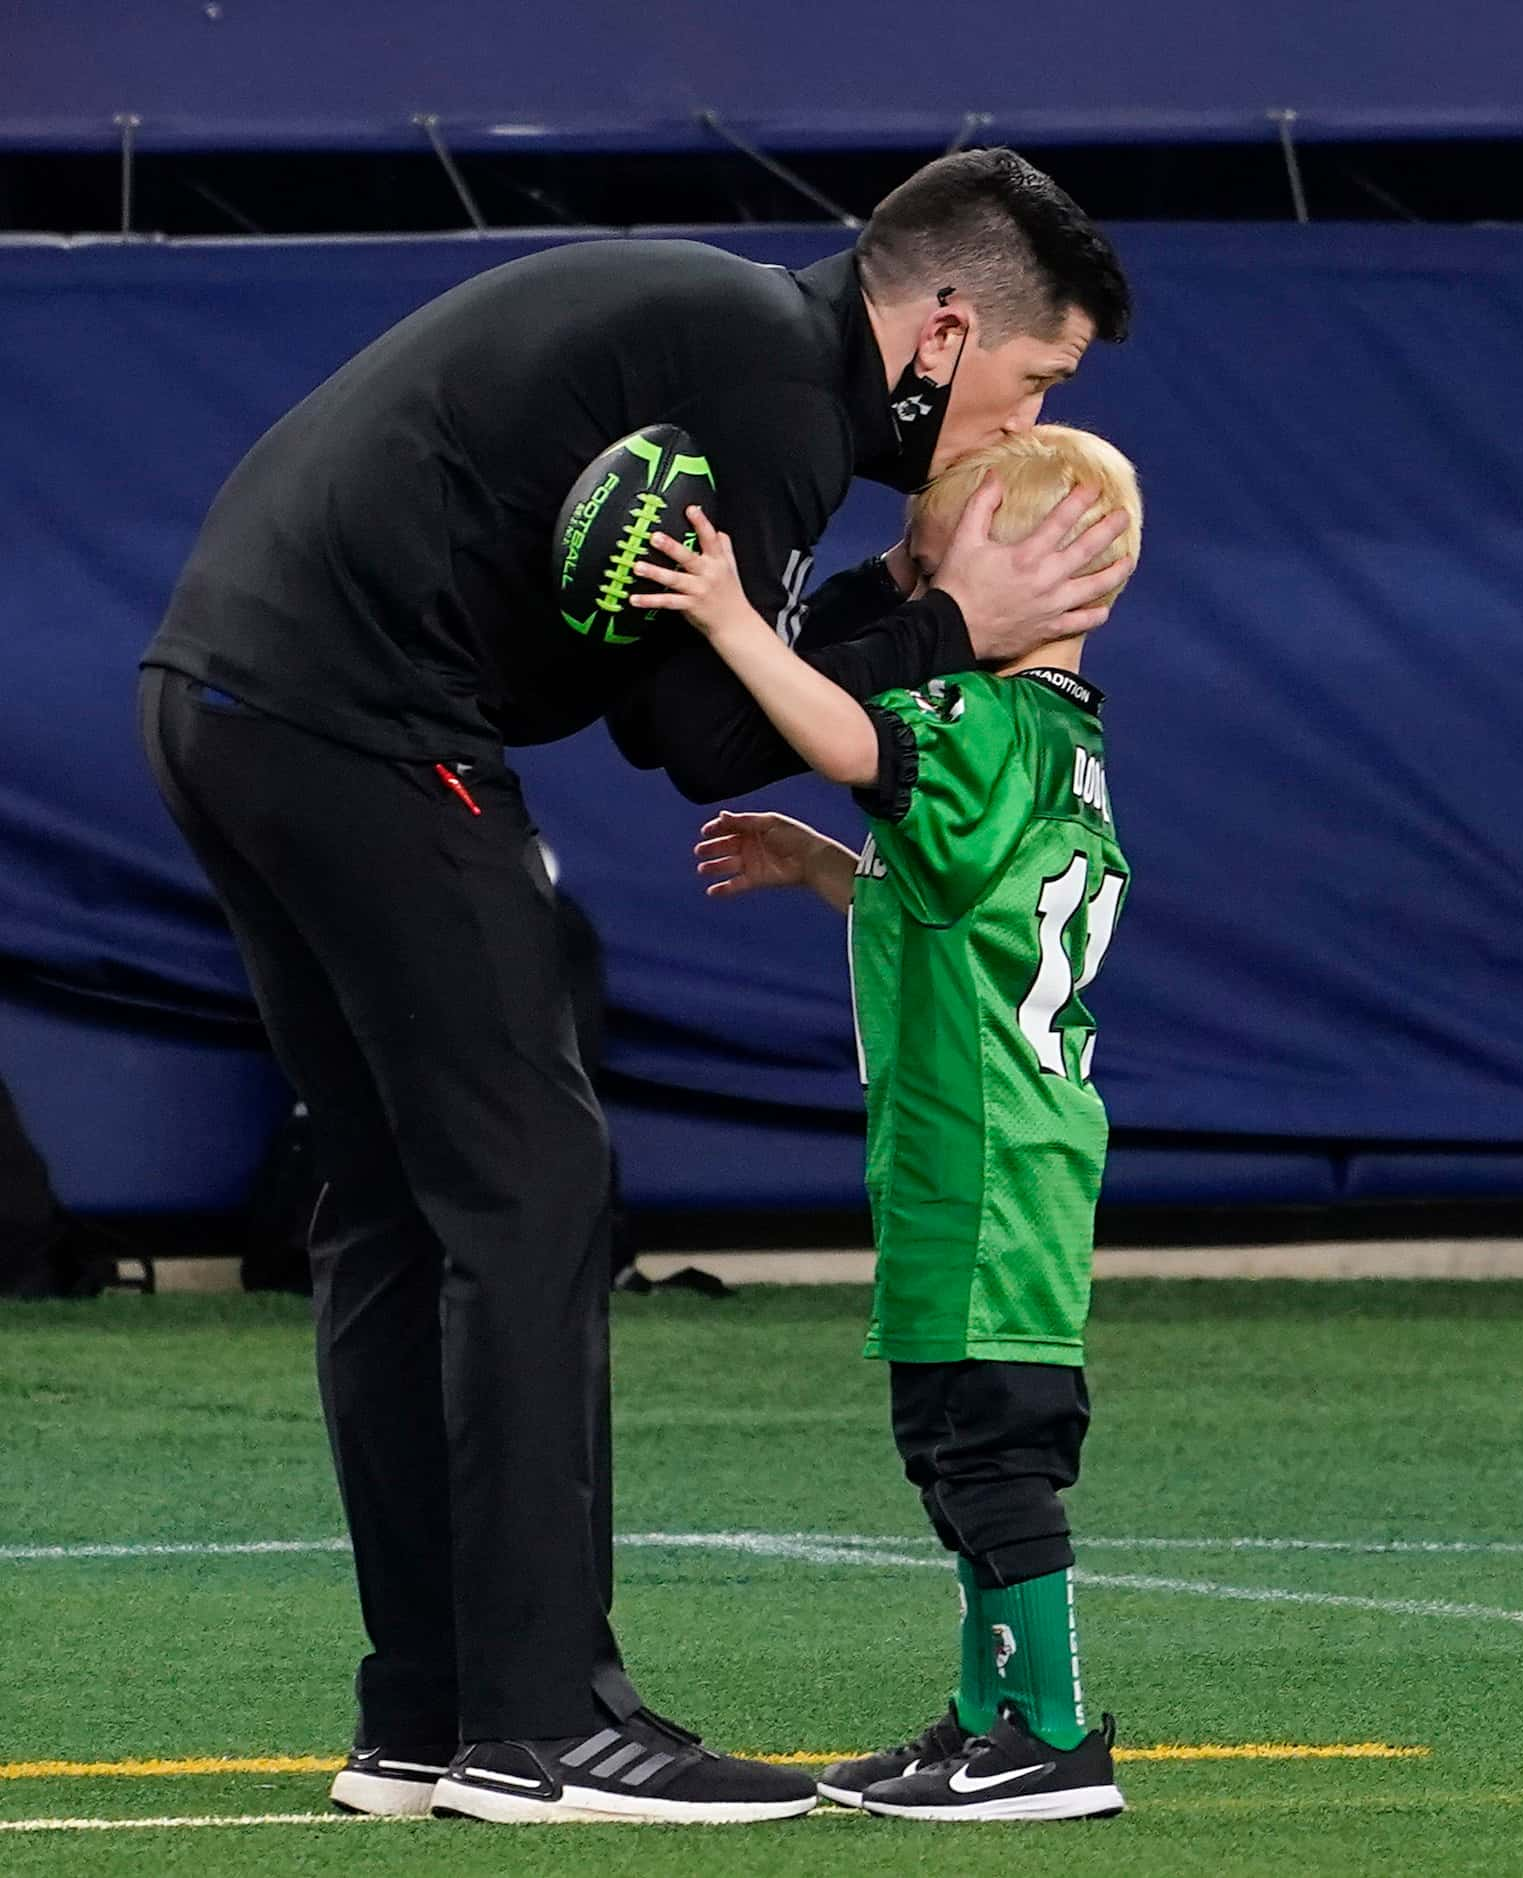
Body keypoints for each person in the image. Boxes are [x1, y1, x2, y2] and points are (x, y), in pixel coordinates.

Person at [136, 149, 1132, 1825]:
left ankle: (429, 1712)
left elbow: (670, 699)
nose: (1017, 432)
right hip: (361, 717)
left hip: (229, 696)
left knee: (396, 1207)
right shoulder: (782, 398)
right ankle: (544, 1727)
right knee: (533, 1189)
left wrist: (899, 599)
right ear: (945, 329)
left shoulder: (745, 352)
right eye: (1032, 384)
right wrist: (952, 618)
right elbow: (703, 745)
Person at [638, 424, 1138, 1822]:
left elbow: (856, 730)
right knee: (946, 1436)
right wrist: (830, 873)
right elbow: (965, 925)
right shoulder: (1065, 746)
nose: (916, 587)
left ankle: (1048, 1731)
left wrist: (736, 621)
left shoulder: (984, 723)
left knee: (990, 1445)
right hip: (977, 1157)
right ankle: (988, 1707)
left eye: (939, 555)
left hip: (987, 1167)